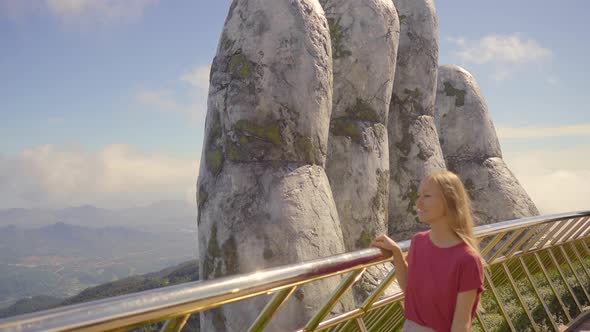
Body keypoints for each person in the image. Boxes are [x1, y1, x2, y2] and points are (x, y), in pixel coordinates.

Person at [372, 171, 484, 332]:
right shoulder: (418, 241)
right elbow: (410, 290)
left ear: (449, 201)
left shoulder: (467, 259)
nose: (418, 203)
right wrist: (396, 253)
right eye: (419, 196)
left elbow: (461, 325)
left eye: (427, 196)